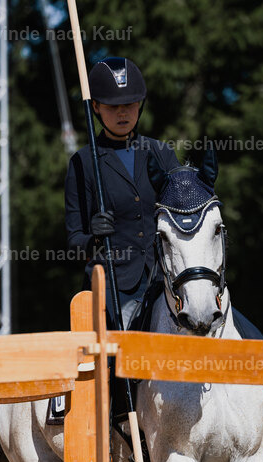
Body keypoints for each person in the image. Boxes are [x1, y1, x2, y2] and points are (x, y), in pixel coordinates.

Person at [64, 56, 178, 329]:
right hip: (111, 287)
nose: (123, 113)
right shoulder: (83, 162)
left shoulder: (161, 153)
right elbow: (74, 242)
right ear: (96, 108)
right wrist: (93, 238)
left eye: (129, 104)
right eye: (113, 107)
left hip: (163, 281)